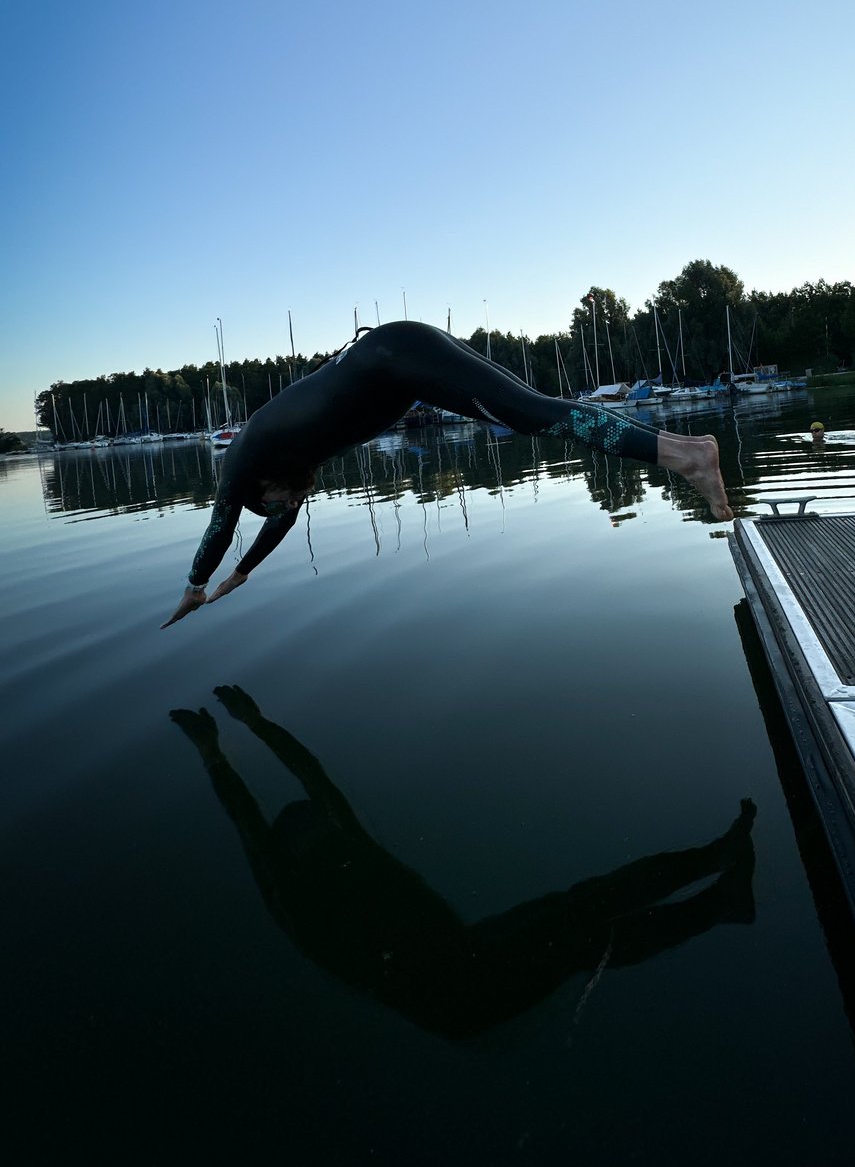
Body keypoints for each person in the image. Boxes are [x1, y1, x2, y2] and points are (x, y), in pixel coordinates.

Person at [171, 685, 757, 1039]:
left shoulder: (338, 850)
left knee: (582, 908)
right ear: (308, 849)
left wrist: (252, 727)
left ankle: (713, 869)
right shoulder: (295, 893)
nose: (337, 829)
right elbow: (254, 823)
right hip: (455, 998)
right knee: (583, 932)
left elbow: (312, 780)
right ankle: (716, 897)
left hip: (460, 957)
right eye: (326, 833)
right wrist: (215, 751)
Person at [163, 320, 732, 627]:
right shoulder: (295, 458)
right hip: (403, 359)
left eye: (277, 502)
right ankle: (686, 447)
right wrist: (241, 575)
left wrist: (195, 584)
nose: (290, 505)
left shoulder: (245, 452)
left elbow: (221, 521)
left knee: (533, 414)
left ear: (262, 486)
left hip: (396, 356)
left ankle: (683, 457)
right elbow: (278, 522)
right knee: (533, 410)